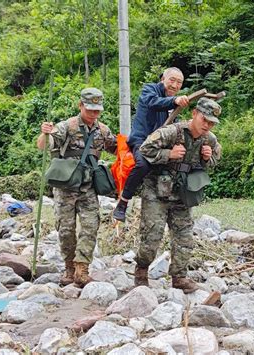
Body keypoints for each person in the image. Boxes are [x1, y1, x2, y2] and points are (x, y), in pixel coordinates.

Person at [135, 97, 222, 293]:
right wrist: (168, 154)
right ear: (194, 114)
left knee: (185, 237)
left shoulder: (210, 139)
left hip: (182, 194)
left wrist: (208, 158)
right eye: (204, 120)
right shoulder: (172, 132)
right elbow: (144, 149)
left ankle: (179, 277)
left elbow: (216, 159)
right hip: (156, 191)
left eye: (211, 123)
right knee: (152, 235)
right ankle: (141, 271)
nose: (207, 125)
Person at [37, 88, 116, 287]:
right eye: (90, 109)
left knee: (90, 226)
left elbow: (118, 149)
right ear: (80, 105)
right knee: (66, 229)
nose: (93, 114)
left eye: (97, 110)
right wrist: (44, 134)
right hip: (65, 186)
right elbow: (44, 145)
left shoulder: (103, 131)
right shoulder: (67, 126)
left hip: (88, 186)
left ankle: (82, 269)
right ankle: (69, 268)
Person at [112, 67, 189, 222]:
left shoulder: (175, 103)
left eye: (179, 82)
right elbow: (153, 102)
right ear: (163, 79)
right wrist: (174, 101)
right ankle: (123, 202)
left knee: (183, 161)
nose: (174, 85)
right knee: (143, 164)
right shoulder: (150, 90)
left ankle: (179, 204)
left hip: (161, 144)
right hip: (142, 141)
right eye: (172, 80)